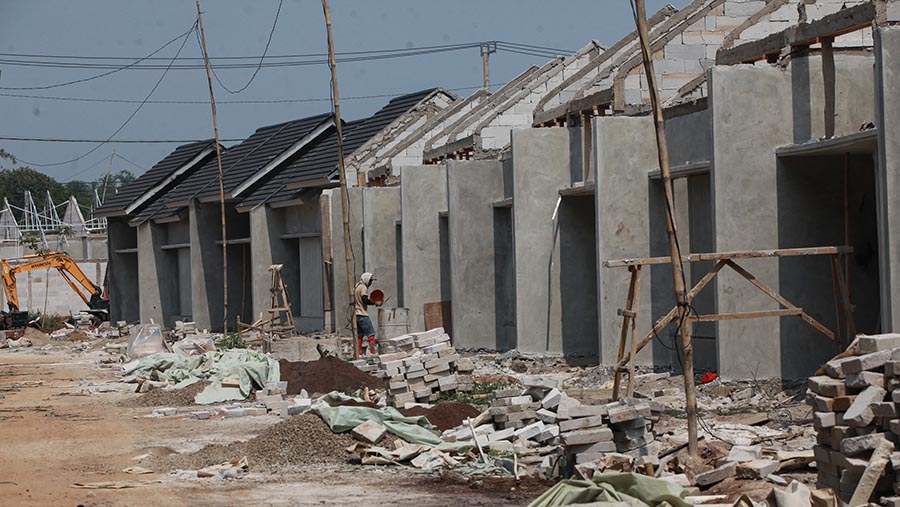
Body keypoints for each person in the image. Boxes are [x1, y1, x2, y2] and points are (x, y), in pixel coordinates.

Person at [354, 272, 380, 356]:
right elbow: (364, 300)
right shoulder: (363, 288)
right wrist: (374, 302)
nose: (370, 283)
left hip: (356, 314)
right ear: (366, 280)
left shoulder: (357, 286)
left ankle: (359, 352)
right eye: (370, 281)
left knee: (360, 334)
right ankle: (373, 352)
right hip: (362, 314)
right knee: (371, 333)